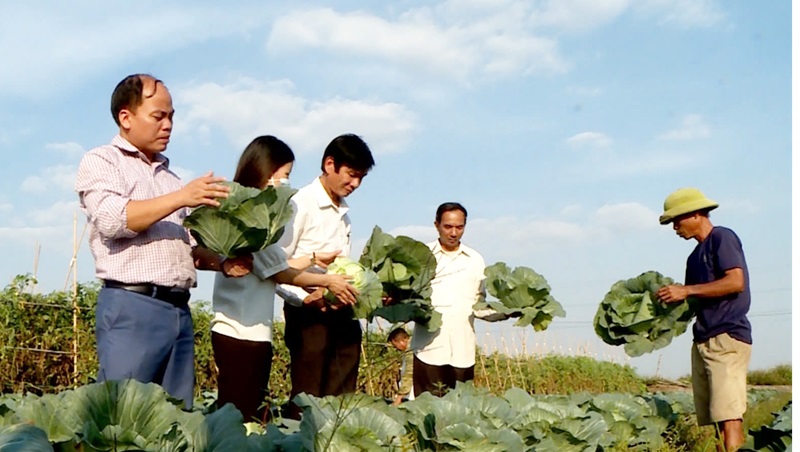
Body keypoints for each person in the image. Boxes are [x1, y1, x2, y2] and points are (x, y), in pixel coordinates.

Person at [75, 74, 250, 409]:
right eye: (158, 116)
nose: (168, 125)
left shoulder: (170, 178)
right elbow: (113, 220)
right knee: (121, 419)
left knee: (173, 420)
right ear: (126, 117)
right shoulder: (102, 161)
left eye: (171, 116)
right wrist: (182, 197)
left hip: (178, 312)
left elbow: (186, 245)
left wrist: (223, 262)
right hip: (132, 308)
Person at [210, 135, 359, 423]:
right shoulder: (250, 217)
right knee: (238, 417)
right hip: (237, 330)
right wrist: (327, 282)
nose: (286, 182)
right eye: (285, 175)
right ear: (265, 171)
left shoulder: (260, 215)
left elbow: (278, 263)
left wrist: (316, 259)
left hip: (255, 331)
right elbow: (280, 271)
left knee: (249, 416)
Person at [276, 133, 375, 419]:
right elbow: (276, 264)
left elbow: (341, 266)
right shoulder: (299, 204)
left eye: (361, 178)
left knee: (342, 392)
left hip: (340, 310)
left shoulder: (343, 214)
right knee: (308, 395)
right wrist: (307, 298)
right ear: (329, 164)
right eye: (352, 175)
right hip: (307, 313)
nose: (355, 184)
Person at [655, 187, 752, 452]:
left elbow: (736, 282)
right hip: (703, 339)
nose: (675, 227)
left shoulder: (723, 237)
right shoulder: (693, 257)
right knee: (716, 421)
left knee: (729, 417)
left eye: (678, 220)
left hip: (727, 337)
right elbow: (693, 302)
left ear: (697, 214)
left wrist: (686, 290)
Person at [411, 202, 487, 397]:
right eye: (448, 226)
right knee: (425, 414)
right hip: (428, 349)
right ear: (436, 225)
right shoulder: (422, 256)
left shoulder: (475, 260)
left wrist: (508, 311)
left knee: (461, 414)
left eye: (459, 227)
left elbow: (480, 305)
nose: (453, 233)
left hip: (463, 351)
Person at [387, 327, 414, 406]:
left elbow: (409, 373)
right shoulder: (409, 350)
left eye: (395, 346)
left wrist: (399, 398)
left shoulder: (411, 350)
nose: (396, 349)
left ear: (402, 341)